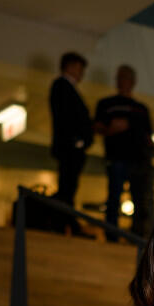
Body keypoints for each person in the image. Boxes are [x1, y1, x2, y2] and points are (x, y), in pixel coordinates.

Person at [94, 65, 154, 241]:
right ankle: (111, 234)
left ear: (133, 82)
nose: (123, 81)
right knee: (114, 196)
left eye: (126, 78)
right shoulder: (106, 104)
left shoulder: (141, 109)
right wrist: (111, 129)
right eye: (120, 77)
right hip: (116, 157)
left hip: (138, 159)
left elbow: (148, 135)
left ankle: (136, 235)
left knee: (138, 198)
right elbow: (97, 126)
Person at [49, 51, 93, 236]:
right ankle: (64, 225)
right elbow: (66, 117)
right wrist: (77, 141)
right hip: (70, 147)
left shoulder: (67, 88)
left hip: (72, 147)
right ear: (70, 66)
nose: (81, 72)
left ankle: (65, 224)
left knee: (69, 186)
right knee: (67, 186)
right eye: (79, 68)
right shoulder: (62, 86)